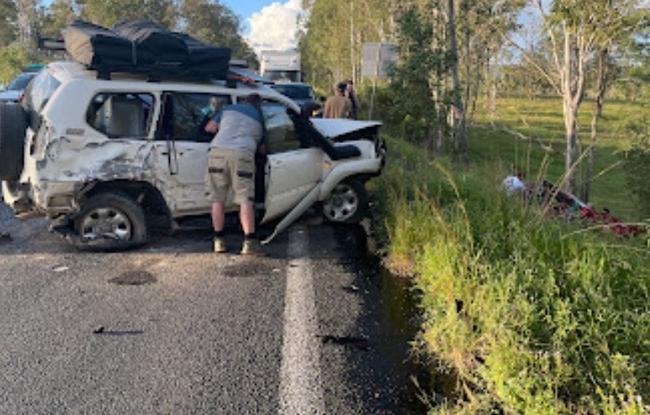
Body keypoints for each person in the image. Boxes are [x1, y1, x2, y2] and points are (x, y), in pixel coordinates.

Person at [204, 94, 265, 255]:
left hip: (217, 152)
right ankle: (249, 242)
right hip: (243, 154)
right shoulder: (260, 117)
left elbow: (209, 128)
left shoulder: (227, 109)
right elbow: (263, 148)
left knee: (217, 198)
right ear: (258, 105)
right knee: (245, 199)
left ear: (243, 100)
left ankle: (219, 241)